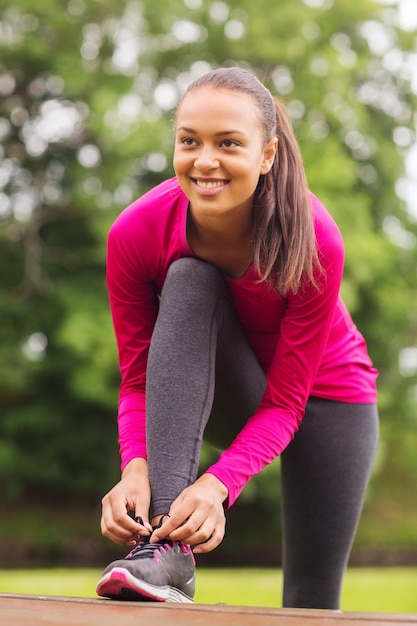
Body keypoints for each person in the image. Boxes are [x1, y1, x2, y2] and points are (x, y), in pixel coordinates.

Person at [96, 66, 379, 609]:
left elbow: (285, 405)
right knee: (190, 277)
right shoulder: (136, 233)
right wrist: (136, 464)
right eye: (189, 141)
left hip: (331, 400)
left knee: (312, 599)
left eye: (229, 143)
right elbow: (137, 381)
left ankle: (177, 534)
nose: (205, 161)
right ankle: (165, 548)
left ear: (267, 155)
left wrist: (218, 486)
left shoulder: (316, 240)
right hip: (230, 385)